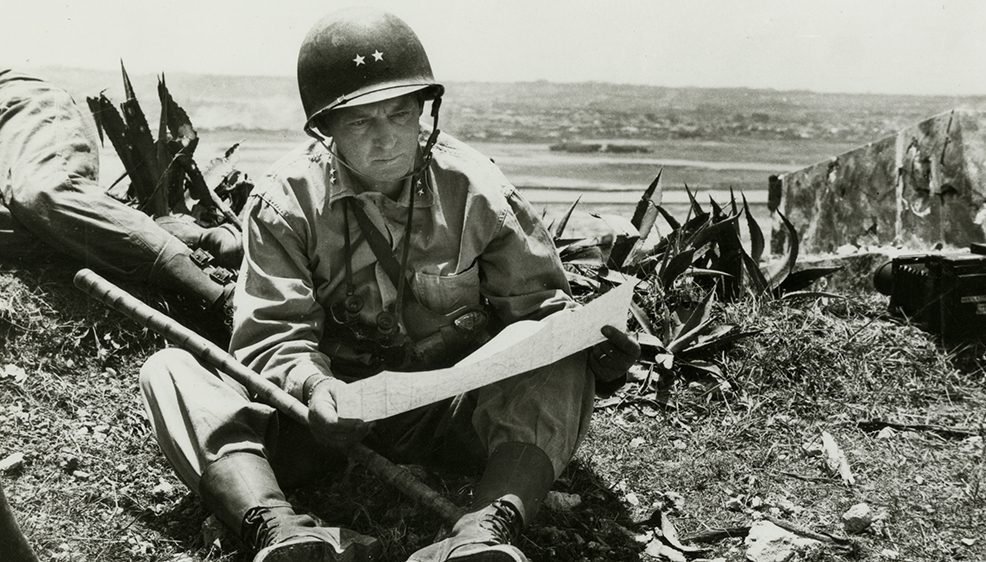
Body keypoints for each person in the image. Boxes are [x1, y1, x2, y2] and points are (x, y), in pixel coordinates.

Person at [137, 7, 640, 562]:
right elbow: (272, 335)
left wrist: (592, 353)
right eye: (360, 122)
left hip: (448, 413)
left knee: (561, 352)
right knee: (170, 371)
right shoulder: (286, 202)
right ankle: (281, 534)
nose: (387, 140)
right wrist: (314, 389)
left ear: (425, 110)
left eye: (401, 114)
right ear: (325, 129)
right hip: (321, 420)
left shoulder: (477, 190)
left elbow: (539, 314)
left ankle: (483, 534)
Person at [0, 69, 241, 313]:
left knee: (44, 191)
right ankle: (175, 232)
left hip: (13, 105)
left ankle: (217, 289)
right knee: (32, 221)